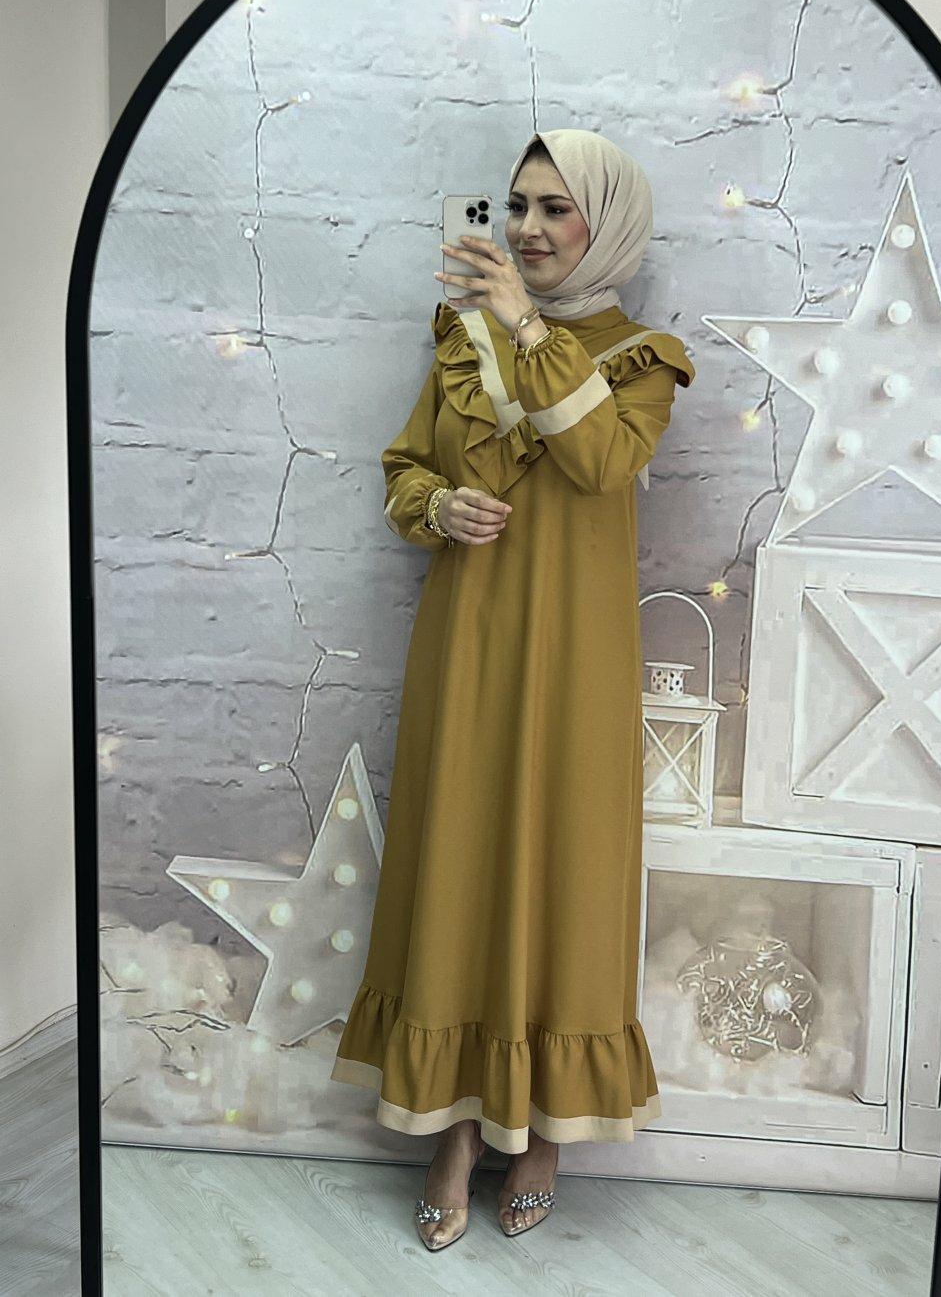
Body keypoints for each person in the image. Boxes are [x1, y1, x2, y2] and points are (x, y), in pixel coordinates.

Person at [330, 128, 696, 1251]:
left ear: (606, 224)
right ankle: (449, 1127)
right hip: (468, 644)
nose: (529, 229)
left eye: (555, 208)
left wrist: (531, 329)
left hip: (576, 659)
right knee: (459, 860)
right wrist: (436, 507)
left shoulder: (641, 358)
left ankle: (543, 1131)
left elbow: (600, 462)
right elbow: (406, 465)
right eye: (517, 205)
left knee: (565, 870)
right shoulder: (460, 339)